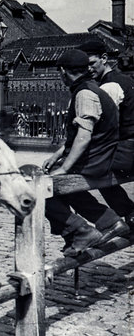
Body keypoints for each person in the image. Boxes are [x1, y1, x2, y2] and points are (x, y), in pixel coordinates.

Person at [42, 49, 130, 256]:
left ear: (63, 71)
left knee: (39, 187)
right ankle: (106, 222)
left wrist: (64, 168)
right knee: (55, 178)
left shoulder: (84, 94)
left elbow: (84, 136)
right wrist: (57, 156)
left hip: (97, 159)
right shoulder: (91, 88)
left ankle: (80, 231)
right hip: (100, 155)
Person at [81, 40, 134, 227]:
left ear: (104, 59)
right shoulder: (126, 80)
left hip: (127, 150)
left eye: (91, 63)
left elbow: (104, 127)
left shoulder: (109, 86)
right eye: (84, 65)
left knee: (88, 170)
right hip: (129, 148)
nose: (88, 69)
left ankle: (121, 215)